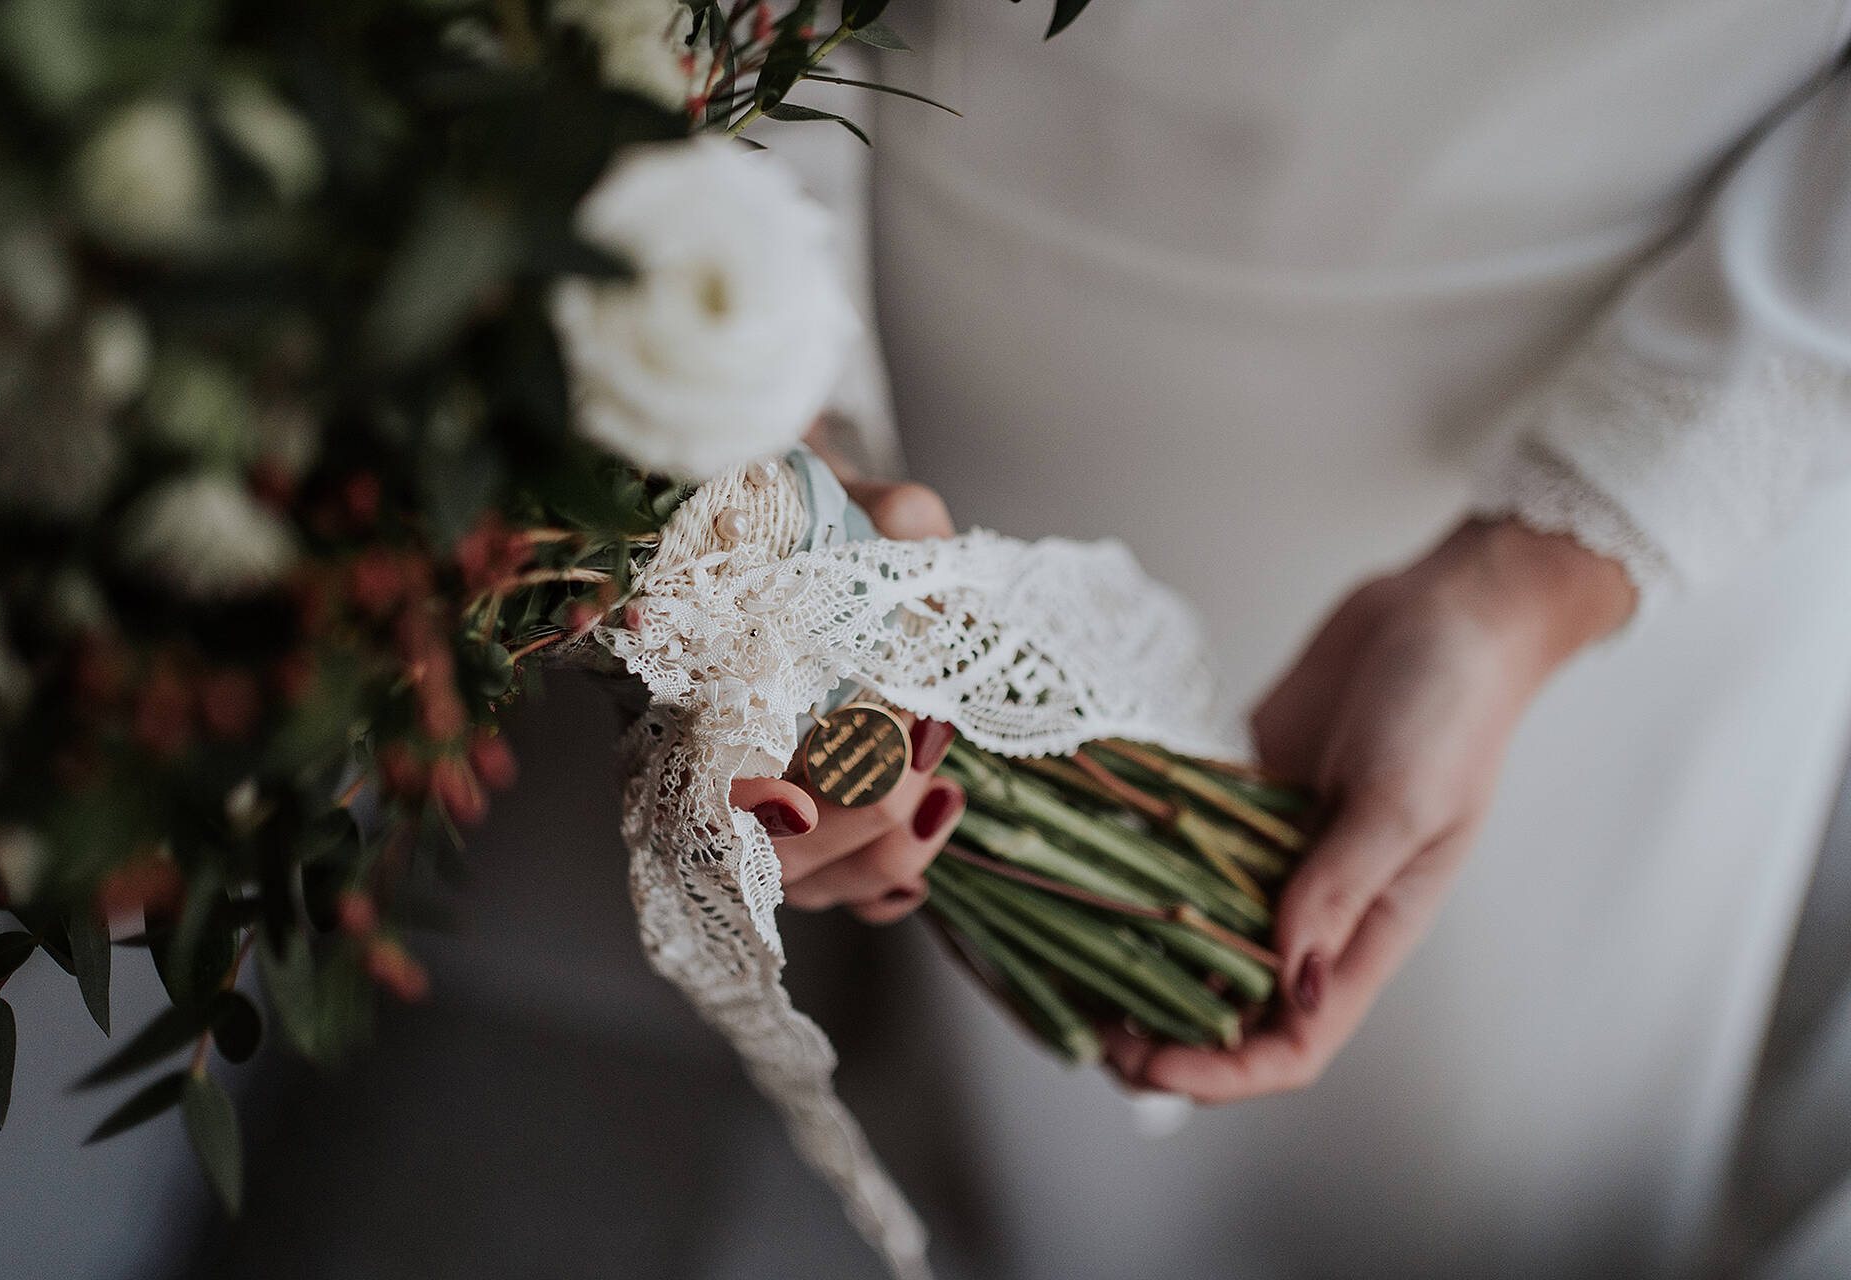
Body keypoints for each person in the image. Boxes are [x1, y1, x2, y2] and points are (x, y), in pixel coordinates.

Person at [733, 3, 1851, 1276]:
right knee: (1049, 1092)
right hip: (980, 298)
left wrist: (1539, 581)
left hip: (1686, 334)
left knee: (1515, 1086)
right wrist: (777, 442)